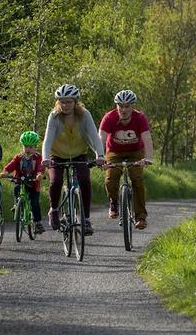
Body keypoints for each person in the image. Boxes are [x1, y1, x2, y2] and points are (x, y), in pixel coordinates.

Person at [41, 84, 106, 233]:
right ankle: (54, 210)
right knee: (56, 180)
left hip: (79, 154)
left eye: (69, 102)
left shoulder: (84, 115)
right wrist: (45, 158)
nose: (65, 105)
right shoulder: (54, 116)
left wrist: (100, 155)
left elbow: (95, 137)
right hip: (57, 155)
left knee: (84, 181)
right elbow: (48, 139)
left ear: (75, 102)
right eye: (62, 102)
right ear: (58, 102)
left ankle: (86, 219)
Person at [99, 89, 153, 229]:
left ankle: (140, 217)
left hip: (136, 151)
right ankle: (114, 203)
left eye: (127, 106)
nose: (124, 109)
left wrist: (147, 158)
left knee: (137, 179)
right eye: (120, 106)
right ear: (116, 106)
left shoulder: (139, 118)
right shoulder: (109, 118)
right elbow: (101, 139)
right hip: (114, 151)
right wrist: (100, 158)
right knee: (110, 178)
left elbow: (147, 138)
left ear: (132, 106)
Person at [2, 130, 46, 235]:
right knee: (16, 189)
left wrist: (39, 174)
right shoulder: (19, 157)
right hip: (20, 180)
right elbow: (12, 164)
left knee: (34, 202)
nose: (28, 149)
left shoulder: (38, 157)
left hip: (33, 182)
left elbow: (41, 166)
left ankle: (38, 222)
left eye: (31, 147)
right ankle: (17, 204)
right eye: (25, 146)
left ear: (35, 147)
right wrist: (5, 171)